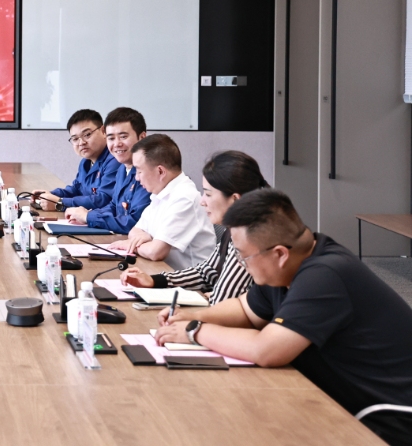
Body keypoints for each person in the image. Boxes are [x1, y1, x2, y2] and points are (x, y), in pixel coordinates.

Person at [155, 189, 412, 445]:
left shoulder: (324, 275)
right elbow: (246, 309)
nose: (242, 264)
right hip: (350, 400)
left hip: (392, 415)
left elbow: (267, 350)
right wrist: (191, 314)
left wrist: (195, 330)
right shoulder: (291, 263)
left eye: (244, 256)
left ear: (279, 254)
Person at [121, 150, 266, 303]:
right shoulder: (235, 228)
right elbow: (206, 273)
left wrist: (209, 296)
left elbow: (222, 299)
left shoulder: (251, 237)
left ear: (235, 199)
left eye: (208, 194)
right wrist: (154, 280)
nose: (202, 201)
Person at [108, 133, 214, 270]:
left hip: (187, 280)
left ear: (160, 171)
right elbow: (134, 231)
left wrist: (131, 245)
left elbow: (156, 252)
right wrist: (146, 238)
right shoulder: (161, 193)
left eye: (139, 171)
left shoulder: (184, 198)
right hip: (162, 272)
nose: (137, 178)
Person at [63, 106, 150, 233]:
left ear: (142, 137)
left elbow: (135, 222)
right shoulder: (122, 169)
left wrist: (88, 217)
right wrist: (88, 216)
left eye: (123, 136)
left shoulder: (149, 172)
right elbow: (114, 206)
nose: (117, 144)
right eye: (111, 138)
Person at [34, 109, 117, 213]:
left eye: (87, 134)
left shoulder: (115, 160)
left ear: (103, 131)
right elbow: (76, 190)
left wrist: (60, 203)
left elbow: (103, 200)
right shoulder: (85, 162)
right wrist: (51, 195)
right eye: (75, 139)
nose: (81, 142)